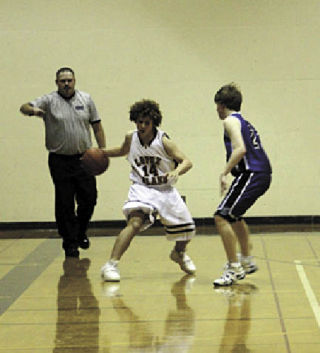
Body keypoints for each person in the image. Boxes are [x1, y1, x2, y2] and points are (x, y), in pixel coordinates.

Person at [100, 99, 196, 282]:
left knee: (188, 229)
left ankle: (179, 253)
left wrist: (176, 172)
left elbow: (187, 161)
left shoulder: (164, 141)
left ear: (154, 123)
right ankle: (110, 265)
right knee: (135, 223)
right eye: (139, 122)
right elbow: (122, 150)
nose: (142, 126)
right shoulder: (131, 137)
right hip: (142, 188)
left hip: (164, 190)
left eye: (146, 122)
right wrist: (102, 152)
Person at [20, 67, 106, 258]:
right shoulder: (49, 100)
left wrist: (103, 150)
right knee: (65, 202)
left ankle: (80, 231)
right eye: (62, 81)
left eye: (69, 80)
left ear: (75, 81)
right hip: (60, 160)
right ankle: (70, 242)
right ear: (56, 83)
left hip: (85, 159)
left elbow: (97, 127)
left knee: (89, 199)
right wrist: (33, 111)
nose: (66, 84)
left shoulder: (86, 99)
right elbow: (23, 106)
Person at [213, 83, 272, 286]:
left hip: (252, 173)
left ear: (221, 105)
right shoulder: (243, 121)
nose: (216, 110)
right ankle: (246, 260)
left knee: (221, 217)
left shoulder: (229, 121)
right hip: (261, 174)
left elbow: (240, 149)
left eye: (217, 105)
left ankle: (234, 267)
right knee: (234, 216)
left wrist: (224, 173)